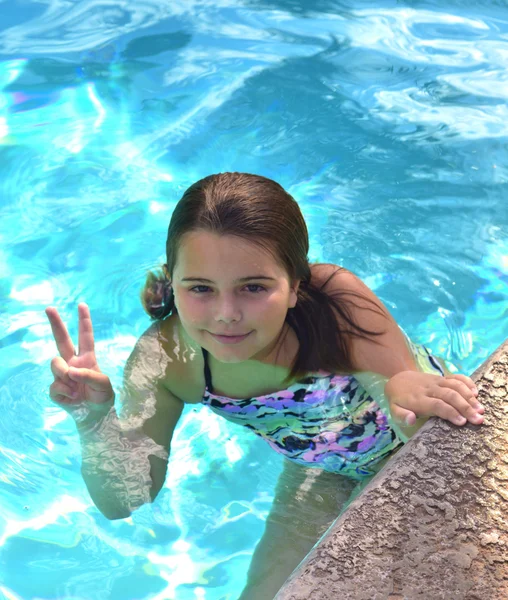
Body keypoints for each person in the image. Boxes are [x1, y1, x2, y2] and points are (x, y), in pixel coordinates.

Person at [46, 172, 485, 600]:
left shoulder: (334, 298)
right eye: (200, 287)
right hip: (319, 467)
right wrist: (94, 421)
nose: (226, 313)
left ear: (295, 285)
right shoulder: (165, 360)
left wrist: (405, 393)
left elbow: (406, 403)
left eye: (253, 287)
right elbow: (127, 500)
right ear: (173, 283)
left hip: (410, 427)